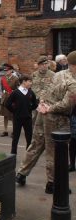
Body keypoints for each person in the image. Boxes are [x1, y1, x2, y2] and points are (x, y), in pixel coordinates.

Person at [38, 50, 76, 193]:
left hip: (52, 114)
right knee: (58, 151)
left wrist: (44, 103)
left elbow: (46, 90)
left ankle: (53, 183)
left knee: (52, 150)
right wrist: (49, 108)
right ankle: (56, 183)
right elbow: (66, 104)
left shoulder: (58, 74)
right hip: (58, 116)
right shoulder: (71, 81)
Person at [16, 56, 55, 186]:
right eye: (42, 64)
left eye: (46, 63)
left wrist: (44, 100)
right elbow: (29, 92)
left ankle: (52, 180)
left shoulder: (54, 76)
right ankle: (22, 173)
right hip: (37, 111)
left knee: (49, 146)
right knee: (36, 142)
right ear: (38, 65)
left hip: (49, 110)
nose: (45, 66)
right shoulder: (33, 76)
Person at [5, 75, 38, 154]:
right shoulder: (15, 92)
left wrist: (29, 109)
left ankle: (28, 152)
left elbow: (35, 104)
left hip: (28, 118)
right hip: (17, 119)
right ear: (24, 81)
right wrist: (15, 111)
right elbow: (8, 104)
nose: (31, 83)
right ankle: (13, 153)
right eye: (29, 81)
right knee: (16, 137)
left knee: (29, 137)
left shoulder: (30, 92)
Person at [0, 63, 19, 137]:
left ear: (11, 70)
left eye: (7, 70)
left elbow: (18, 89)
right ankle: (5, 130)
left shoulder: (16, 78)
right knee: (5, 115)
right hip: (5, 98)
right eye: (5, 71)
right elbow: (2, 89)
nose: (6, 72)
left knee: (13, 116)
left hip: (12, 98)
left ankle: (14, 131)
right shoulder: (3, 79)